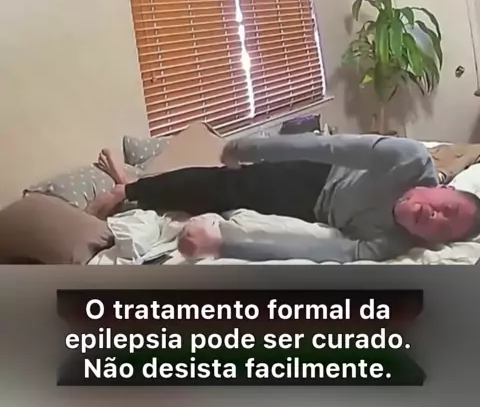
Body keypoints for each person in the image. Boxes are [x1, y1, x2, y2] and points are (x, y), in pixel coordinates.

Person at [88, 134, 480, 263]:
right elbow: (327, 146)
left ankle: (141, 185)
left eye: (443, 228)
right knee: (225, 184)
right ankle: (128, 190)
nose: (434, 217)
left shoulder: (393, 243)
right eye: (446, 209)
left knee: (219, 205)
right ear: (442, 188)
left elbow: (319, 249)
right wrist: (251, 148)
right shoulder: (409, 158)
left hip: (313, 209)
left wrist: (224, 244)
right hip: (320, 172)